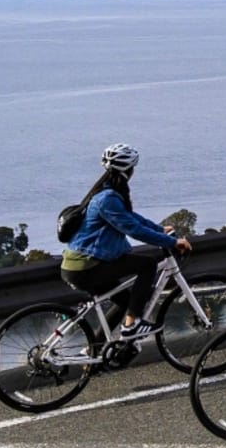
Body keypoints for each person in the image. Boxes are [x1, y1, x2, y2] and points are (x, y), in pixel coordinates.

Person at [59, 143, 191, 341]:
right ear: (128, 171)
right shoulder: (108, 198)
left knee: (125, 301)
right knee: (147, 265)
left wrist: (159, 229)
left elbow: (131, 218)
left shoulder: (104, 193)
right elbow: (133, 229)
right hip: (86, 267)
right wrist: (171, 242)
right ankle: (131, 326)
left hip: (79, 265)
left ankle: (93, 350)